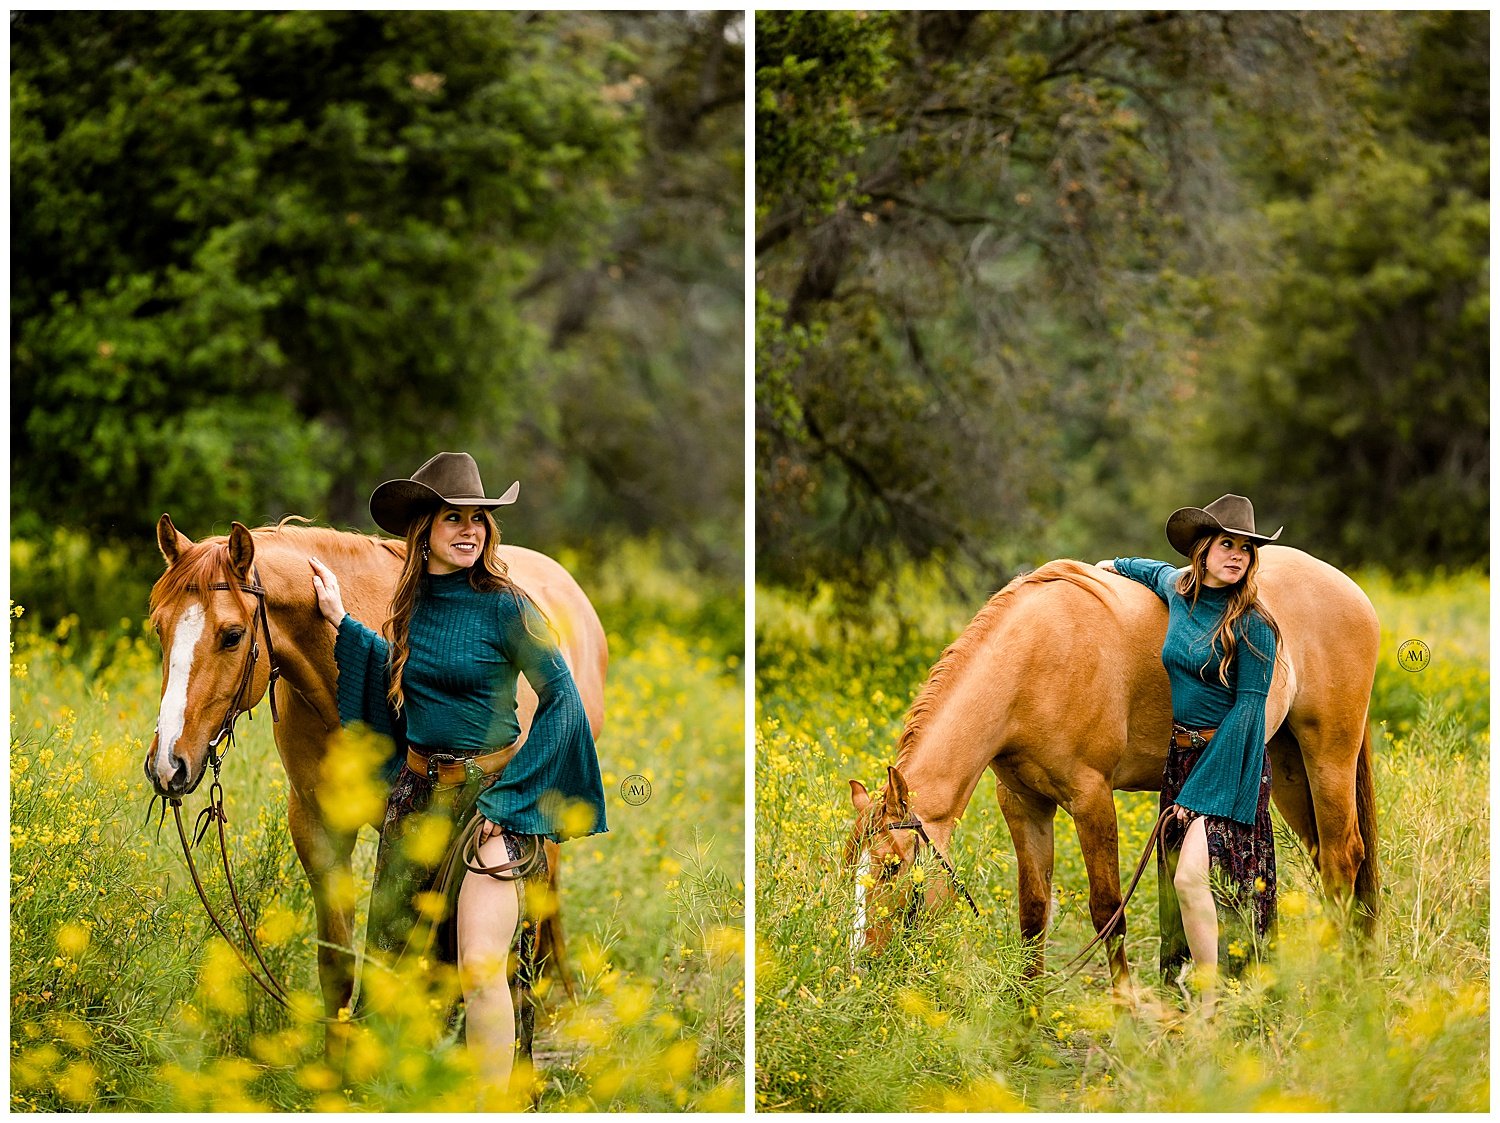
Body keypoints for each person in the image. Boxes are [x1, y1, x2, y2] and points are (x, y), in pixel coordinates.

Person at [308, 450, 607, 1090]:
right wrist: (342, 624)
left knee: (478, 967)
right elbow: (404, 676)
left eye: (478, 519)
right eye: (454, 518)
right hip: (416, 801)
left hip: (487, 808)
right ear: (425, 532)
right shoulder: (410, 607)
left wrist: (512, 804)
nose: (470, 530)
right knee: (395, 976)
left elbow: (563, 701)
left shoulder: (506, 607)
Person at [1097, 494, 1281, 1018]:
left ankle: (1209, 1008)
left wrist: (1198, 797)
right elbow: (1146, 570)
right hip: (1180, 761)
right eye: (1227, 544)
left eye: (1246, 549)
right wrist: (1105, 568)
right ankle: (1205, 991)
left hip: (1231, 760)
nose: (1237, 556)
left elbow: (1249, 714)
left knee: (1189, 878)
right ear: (1201, 551)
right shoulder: (1179, 593)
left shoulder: (1253, 624)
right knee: (1189, 885)